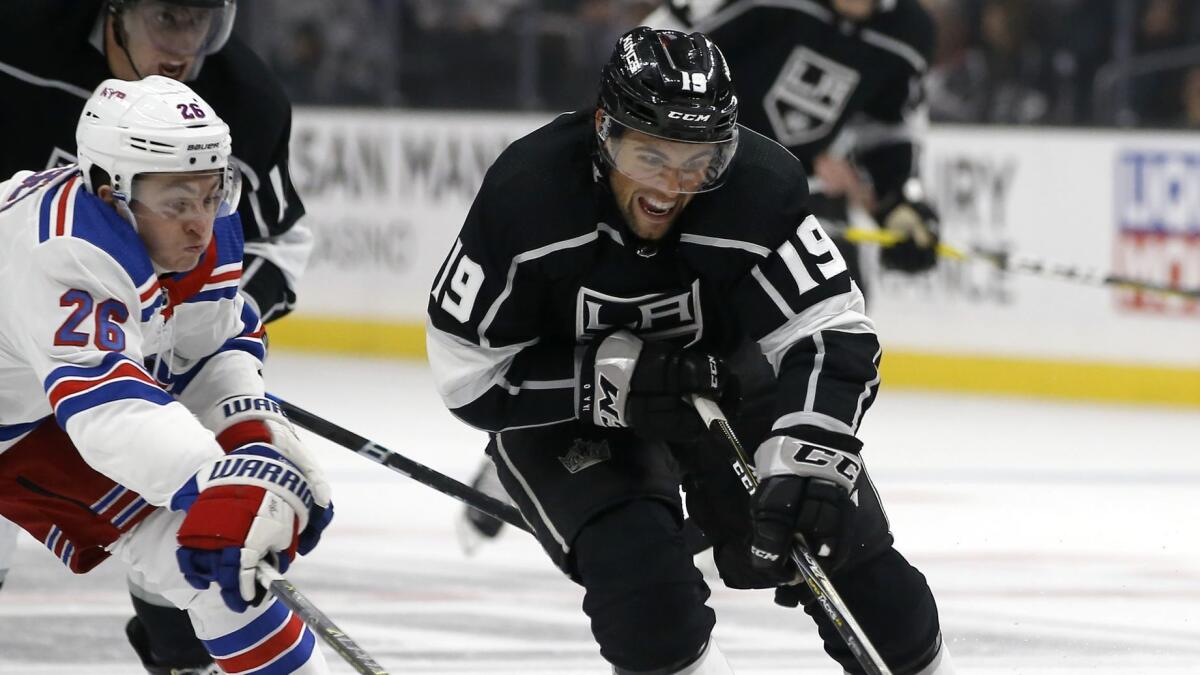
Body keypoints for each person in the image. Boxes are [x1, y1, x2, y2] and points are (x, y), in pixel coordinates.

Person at [428, 26, 952, 674]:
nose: (672, 186)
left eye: (698, 160)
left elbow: (831, 328)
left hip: (721, 375)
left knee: (848, 551)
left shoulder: (759, 187)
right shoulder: (526, 196)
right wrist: (606, 382)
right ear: (604, 131)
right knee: (645, 594)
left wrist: (809, 455)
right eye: (650, 156)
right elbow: (468, 373)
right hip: (570, 409)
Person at [0, 2, 311, 671]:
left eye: (210, 193)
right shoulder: (65, 249)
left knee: (226, 577)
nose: (201, 226)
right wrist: (218, 476)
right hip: (27, 421)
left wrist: (250, 431)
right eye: (178, 203)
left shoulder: (208, 220)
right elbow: (111, 413)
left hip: (49, 411)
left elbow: (205, 351)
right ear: (110, 192)